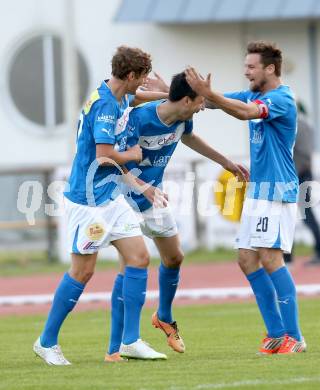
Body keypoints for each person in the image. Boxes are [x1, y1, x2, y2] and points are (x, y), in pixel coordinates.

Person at [33, 45, 168, 365]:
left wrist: (161, 94)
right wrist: (135, 156)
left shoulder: (114, 93)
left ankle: (130, 340)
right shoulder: (105, 107)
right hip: (88, 202)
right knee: (83, 271)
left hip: (109, 196)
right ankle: (46, 342)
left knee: (138, 258)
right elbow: (103, 155)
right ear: (131, 75)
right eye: (142, 78)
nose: (143, 85)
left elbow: (134, 98)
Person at [108, 71, 247, 355]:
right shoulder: (138, 118)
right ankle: (121, 344)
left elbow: (190, 138)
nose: (202, 107)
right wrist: (142, 186)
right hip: (124, 198)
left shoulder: (184, 118)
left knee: (174, 257)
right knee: (131, 264)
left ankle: (164, 317)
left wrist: (226, 163)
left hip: (153, 198)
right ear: (186, 100)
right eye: (199, 102)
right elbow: (114, 159)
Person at [185, 41, 306, 354]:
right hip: (258, 192)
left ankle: (294, 336)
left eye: (251, 66)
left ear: (270, 68)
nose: (246, 71)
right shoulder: (254, 93)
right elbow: (217, 103)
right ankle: (276, 333)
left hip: (277, 190)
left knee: (270, 257)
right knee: (246, 258)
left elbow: (244, 113)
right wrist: (171, 92)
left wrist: (210, 95)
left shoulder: (281, 98)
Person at [283, 102, 320, 266]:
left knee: (294, 215)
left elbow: (301, 155)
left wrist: (289, 176)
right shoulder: (306, 125)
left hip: (297, 175)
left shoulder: (295, 126)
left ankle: (288, 258)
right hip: (302, 173)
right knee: (305, 214)